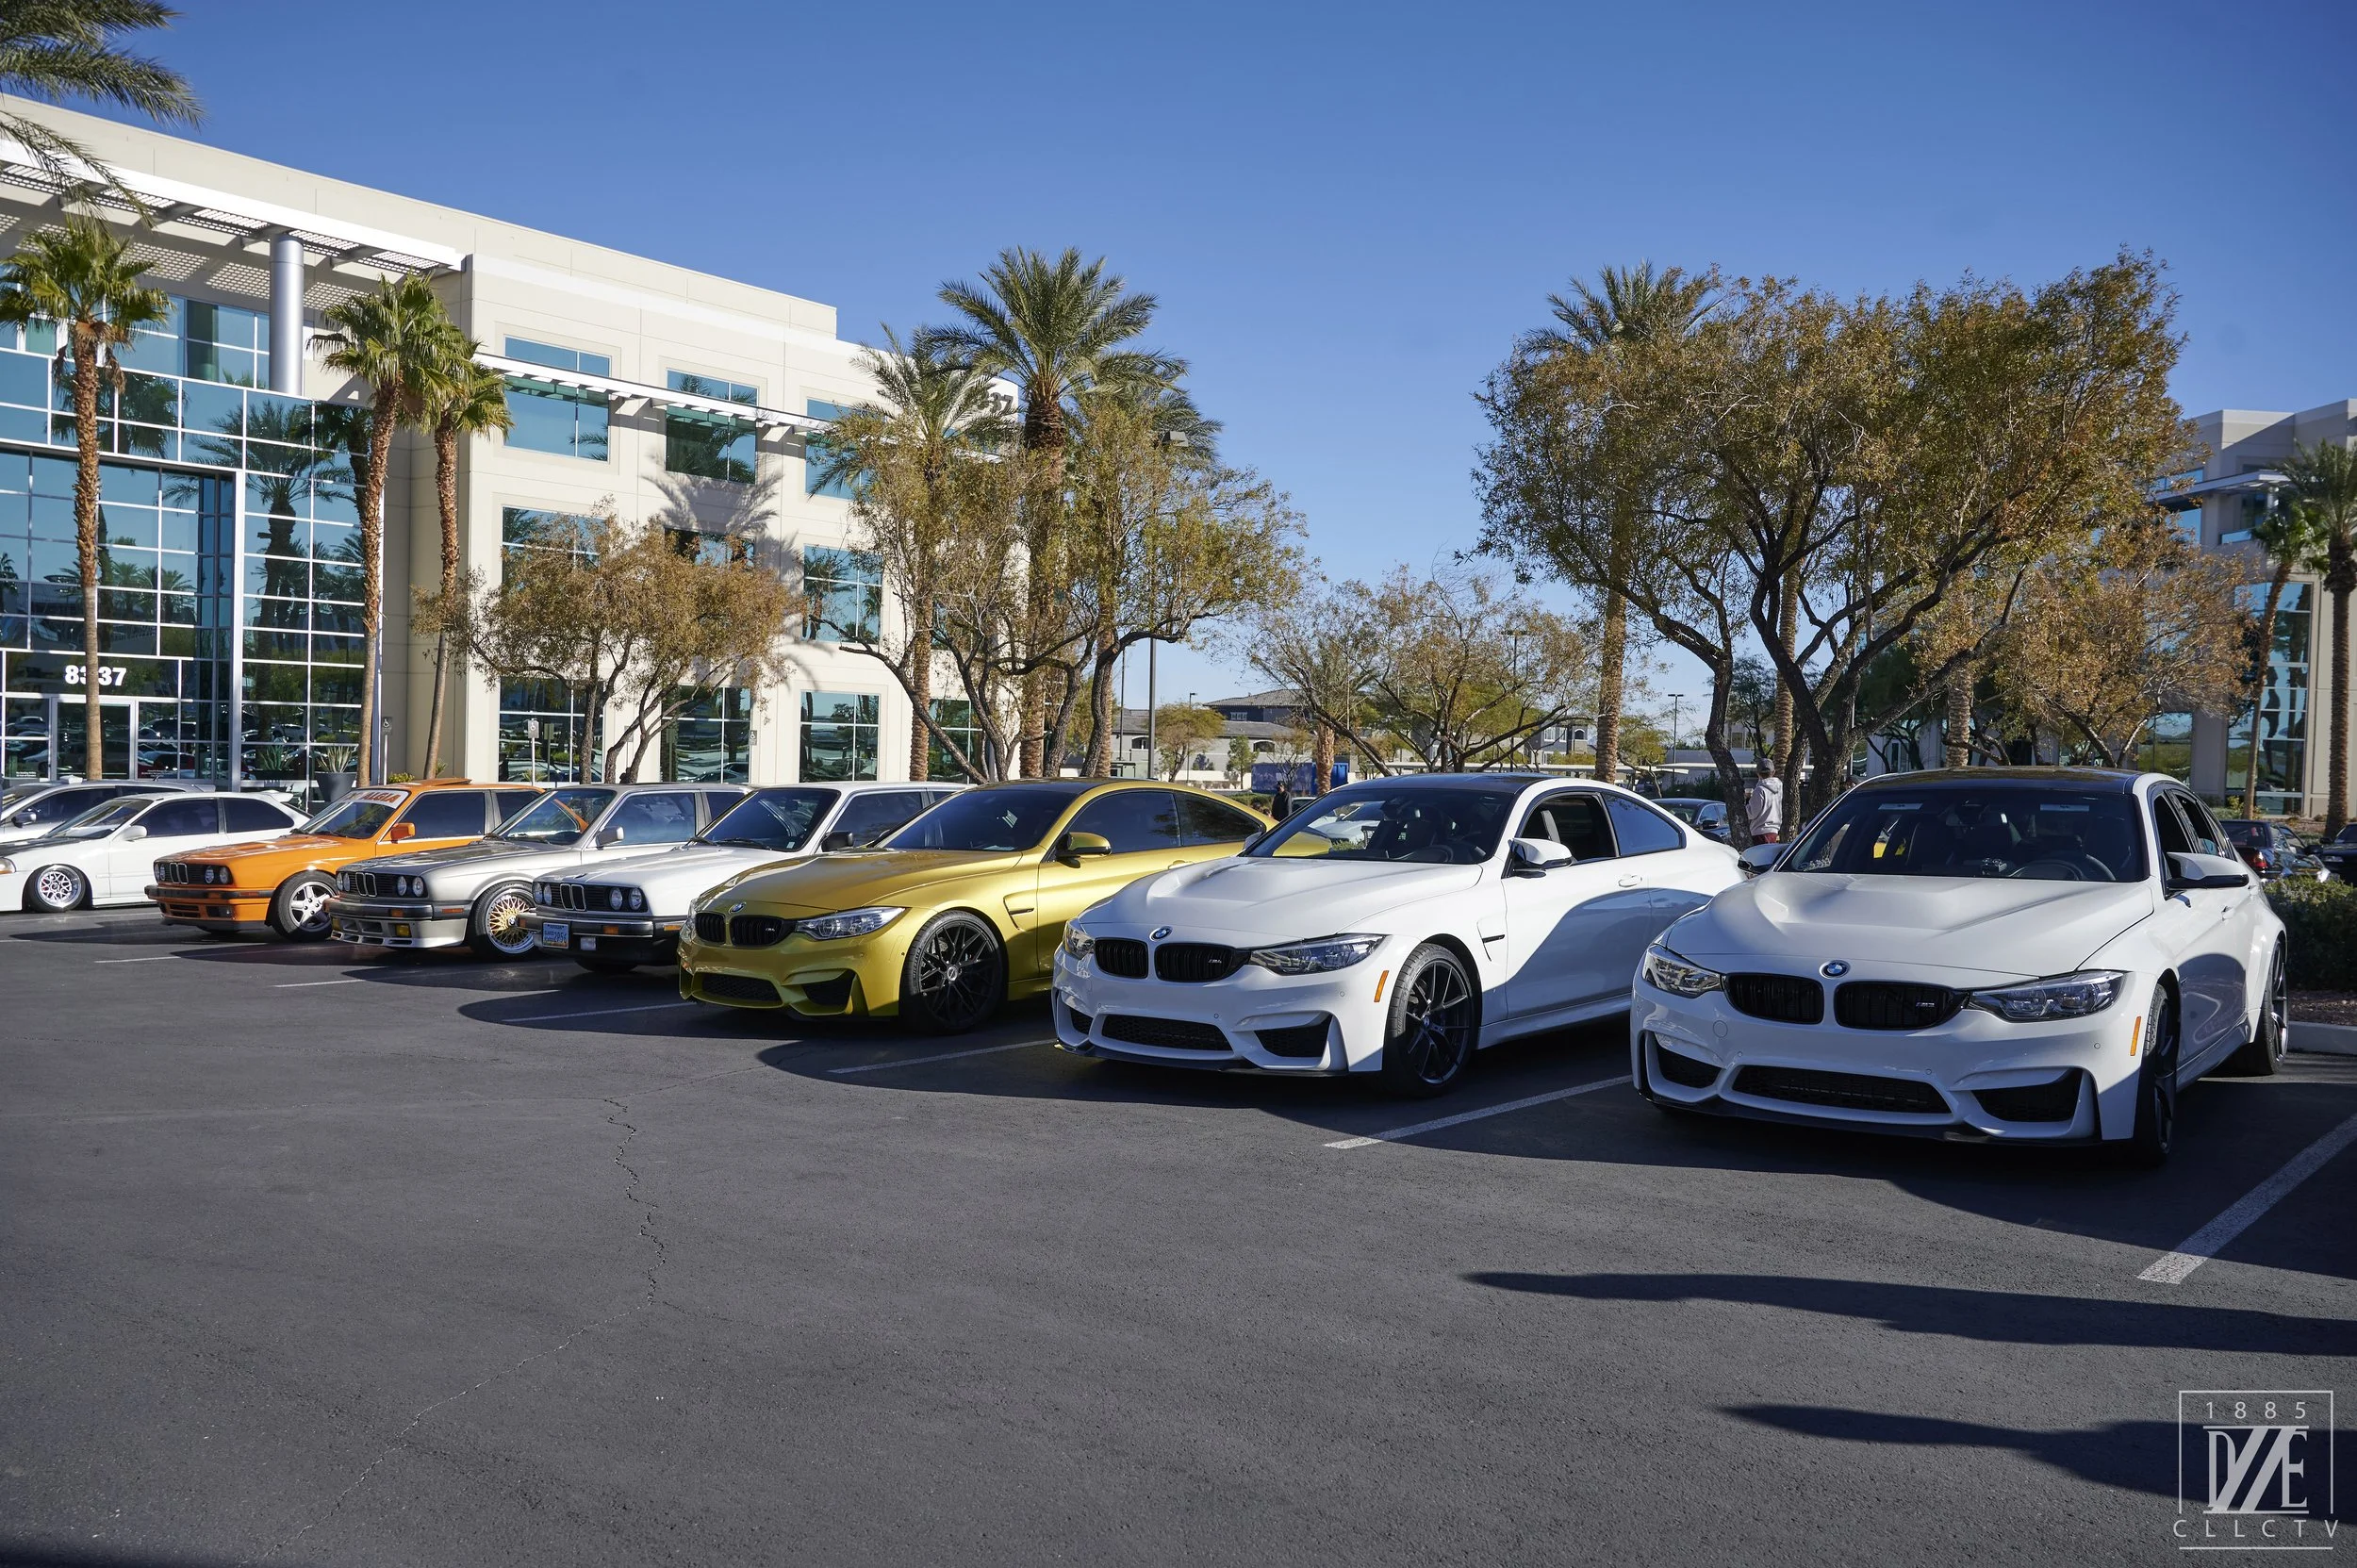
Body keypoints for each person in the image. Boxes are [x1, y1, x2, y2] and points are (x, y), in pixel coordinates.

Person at [1746, 759, 1784, 844]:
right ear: (1773, 772)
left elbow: (1752, 813)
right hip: (1774, 831)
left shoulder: (1759, 790)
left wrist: (1747, 802)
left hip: (1760, 832)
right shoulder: (1780, 788)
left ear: (1758, 773)